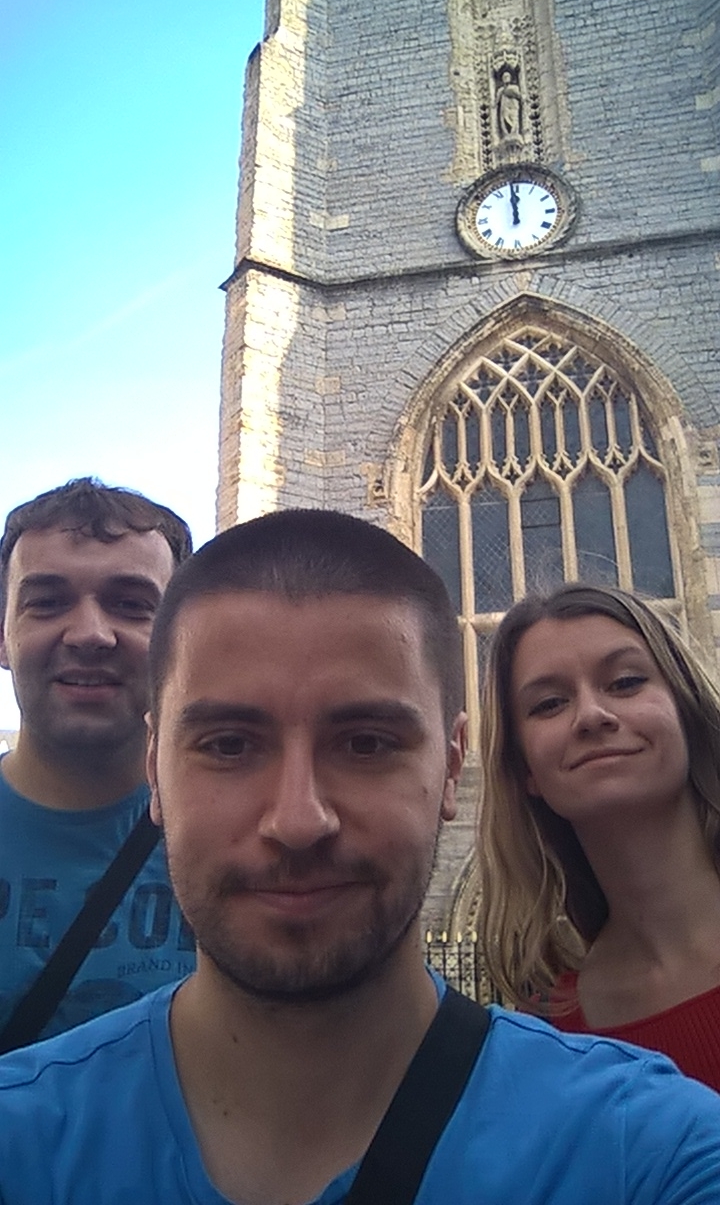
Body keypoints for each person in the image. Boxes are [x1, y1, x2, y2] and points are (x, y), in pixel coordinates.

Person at [0, 513, 718, 1204]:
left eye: (366, 743)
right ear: (154, 768)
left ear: (452, 764)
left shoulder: (648, 1151)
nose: (298, 820)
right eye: (229, 745)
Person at [478, 582, 720, 1092]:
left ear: (686, 710)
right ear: (525, 770)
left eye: (626, 682)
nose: (591, 715)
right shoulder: (551, 1043)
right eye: (549, 704)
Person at [0, 477, 196, 1043]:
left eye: (131, 605)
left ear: (182, 641)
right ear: (3, 636)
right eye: (47, 602)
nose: (89, 634)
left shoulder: (242, 837)